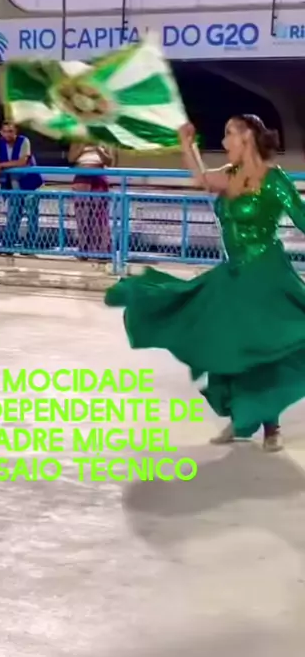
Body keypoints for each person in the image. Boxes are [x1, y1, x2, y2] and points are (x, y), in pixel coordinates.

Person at [105, 114, 305, 453]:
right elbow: (201, 178)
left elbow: (302, 218)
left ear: (247, 137)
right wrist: (187, 145)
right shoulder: (229, 175)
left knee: (261, 348)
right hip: (234, 274)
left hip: (266, 275)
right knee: (225, 342)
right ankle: (241, 417)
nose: (224, 142)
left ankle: (271, 427)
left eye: (229, 134)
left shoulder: (274, 179)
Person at [0, 121, 42, 250]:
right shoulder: (0, 143)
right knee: (13, 213)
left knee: (32, 214)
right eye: (5, 131)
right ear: (1, 132)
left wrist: (0, 165)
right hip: (13, 185)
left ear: (16, 132)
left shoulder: (24, 141)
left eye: (11, 131)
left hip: (29, 183)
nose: (8, 134)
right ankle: (9, 242)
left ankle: (31, 244)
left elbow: (22, 162)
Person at [69, 142, 113, 258]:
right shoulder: (78, 140)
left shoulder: (105, 140)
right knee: (82, 215)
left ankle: (102, 251)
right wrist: (82, 146)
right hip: (81, 179)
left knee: (99, 216)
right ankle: (83, 250)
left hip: (98, 178)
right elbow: (71, 159)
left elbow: (110, 162)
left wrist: (98, 148)